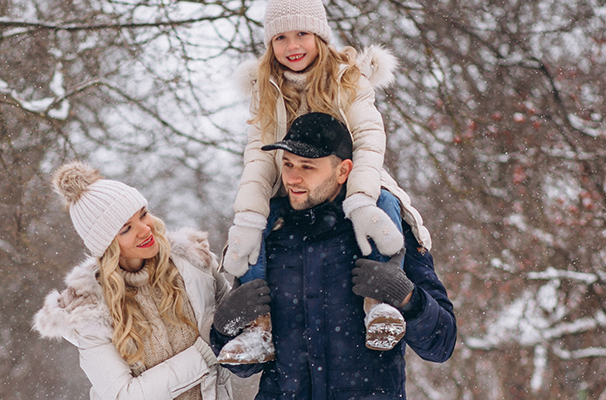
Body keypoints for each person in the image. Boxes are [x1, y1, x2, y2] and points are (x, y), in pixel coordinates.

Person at [221, 0, 432, 359]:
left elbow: (367, 139)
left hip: (353, 176)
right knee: (255, 228)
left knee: (383, 203)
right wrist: (248, 217)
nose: (292, 46)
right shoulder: (266, 87)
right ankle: (258, 327)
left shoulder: (347, 78)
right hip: (286, 186)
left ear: (320, 35)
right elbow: (259, 157)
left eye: (302, 33)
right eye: (281, 38)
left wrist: (361, 198)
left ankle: (380, 303)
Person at [211, 113, 457, 399]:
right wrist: (224, 327)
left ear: (343, 171)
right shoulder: (267, 237)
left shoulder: (384, 232)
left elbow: (442, 345)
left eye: (308, 166)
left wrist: (407, 298)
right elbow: (245, 365)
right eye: (287, 164)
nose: (293, 177)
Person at [33, 161, 233, 400]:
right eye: (126, 228)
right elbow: (125, 395)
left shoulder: (194, 263)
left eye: (143, 215)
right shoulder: (88, 312)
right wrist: (205, 352)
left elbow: (236, 326)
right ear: (107, 246)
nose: (145, 230)